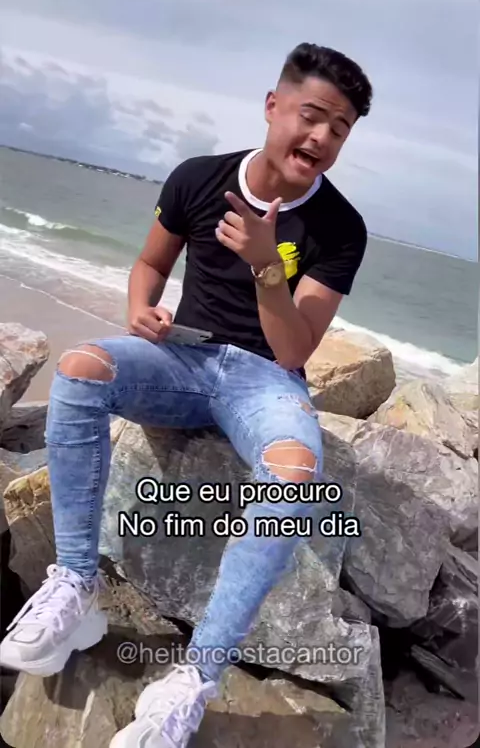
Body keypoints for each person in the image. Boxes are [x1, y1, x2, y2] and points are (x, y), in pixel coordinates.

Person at [0, 42, 373, 747]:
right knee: (80, 367)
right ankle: (76, 585)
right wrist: (140, 311)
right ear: (274, 106)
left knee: (295, 473)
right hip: (183, 358)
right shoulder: (199, 178)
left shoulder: (340, 227)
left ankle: (197, 677)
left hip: (266, 379)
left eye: (341, 127)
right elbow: (149, 263)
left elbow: (295, 351)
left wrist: (267, 266)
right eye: (312, 114)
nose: (322, 136)